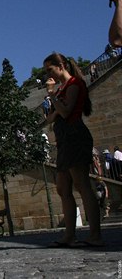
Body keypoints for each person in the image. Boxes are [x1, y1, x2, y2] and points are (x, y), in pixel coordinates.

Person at [43, 52, 103, 248]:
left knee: (82, 184)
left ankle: (95, 234)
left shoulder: (75, 83)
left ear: (61, 65)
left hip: (74, 136)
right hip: (63, 141)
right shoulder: (62, 89)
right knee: (62, 187)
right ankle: (70, 235)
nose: (47, 75)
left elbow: (66, 112)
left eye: (49, 69)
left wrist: (52, 95)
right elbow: (51, 117)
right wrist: (54, 101)